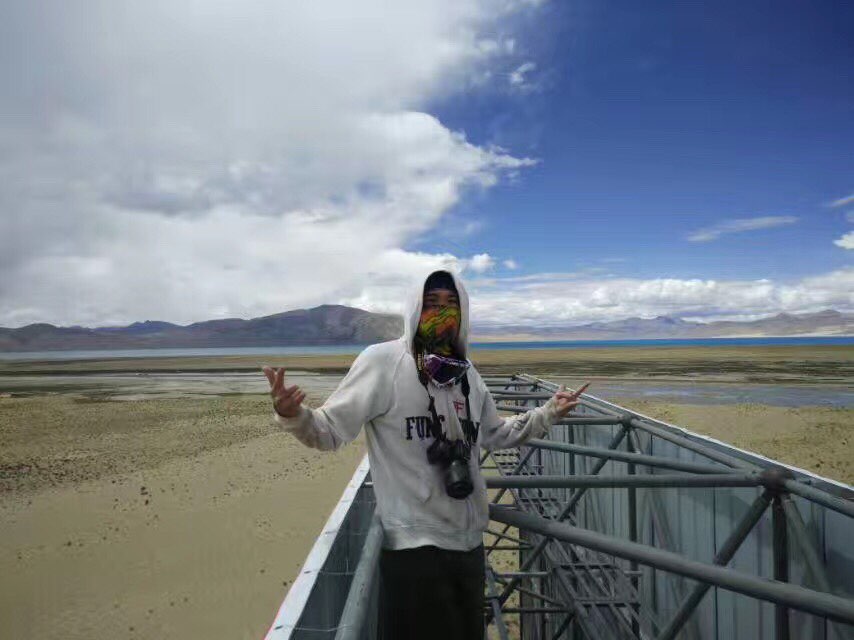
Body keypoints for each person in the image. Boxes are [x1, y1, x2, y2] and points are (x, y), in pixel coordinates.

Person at [262, 269, 589, 640]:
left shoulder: (466, 374)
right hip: (414, 552)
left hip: (468, 546)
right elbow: (330, 430)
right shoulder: (382, 362)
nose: (442, 313)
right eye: (432, 304)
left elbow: (495, 434)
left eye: (451, 305)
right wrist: (293, 414)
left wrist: (548, 413)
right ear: (415, 309)